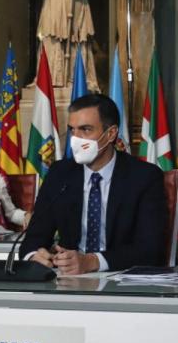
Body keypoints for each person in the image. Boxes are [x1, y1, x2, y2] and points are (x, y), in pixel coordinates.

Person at [20, 94, 167, 274]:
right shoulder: (60, 174)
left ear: (111, 134)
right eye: (72, 130)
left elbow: (151, 249)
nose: (76, 139)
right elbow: (32, 239)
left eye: (86, 129)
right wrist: (35, 255)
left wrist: (92, 262)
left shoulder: (144, 177)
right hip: (68, 280)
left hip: (122, 279)